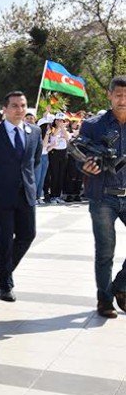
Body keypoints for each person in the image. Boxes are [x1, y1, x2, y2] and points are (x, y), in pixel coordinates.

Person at [0, 91, 42, 302]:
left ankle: (3, 266)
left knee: (28, 234)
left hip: (26, 193)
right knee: (4, 239)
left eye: (23, 105)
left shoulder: (35, 132)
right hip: (1, 195)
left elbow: (35, 161)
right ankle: (5, 284)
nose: (19, 109)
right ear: (4, 109)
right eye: (14, 105)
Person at [81, 77, 126, 318]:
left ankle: (119, 286)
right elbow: (79, 155)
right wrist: (85, 166)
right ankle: (105, 301)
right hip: (102, 198)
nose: (123, 100)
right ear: (109, 95)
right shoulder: (93, 126)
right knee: (105, 252)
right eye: (118, 95)